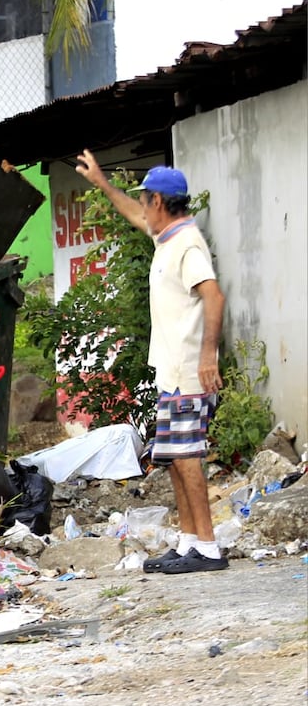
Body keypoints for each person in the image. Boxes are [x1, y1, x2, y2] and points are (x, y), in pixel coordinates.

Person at [76, 150, 228, 574]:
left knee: (187, 458)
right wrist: (104, 185)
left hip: (188, 371)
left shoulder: (188, 244)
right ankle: (188, 542)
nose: (141, 207)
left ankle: (210, 548)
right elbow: (135, 218)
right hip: (172, 371)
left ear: (158, 201)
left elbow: (214, 295)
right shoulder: (167, 237)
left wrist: (207, 357)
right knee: (176, 459)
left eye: (145, 199)